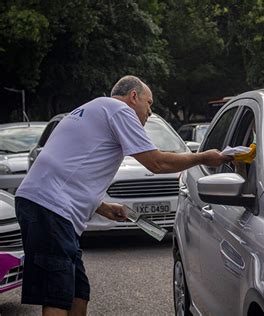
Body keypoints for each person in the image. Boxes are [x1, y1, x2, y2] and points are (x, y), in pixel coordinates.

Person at [14, 75, 231, 316]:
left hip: (43, 203)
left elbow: (71, 165)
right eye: (149, 104)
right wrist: (201, 157)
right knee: (56, 295)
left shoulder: (91, 109)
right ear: (133, 97)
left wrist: (103, 206)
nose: (150, 112)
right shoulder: (119, 110)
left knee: (78, 292)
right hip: (50, 208)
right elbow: (156, 163)